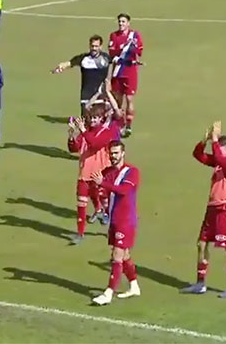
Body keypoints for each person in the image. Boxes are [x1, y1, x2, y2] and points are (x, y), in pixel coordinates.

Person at [181, 121, 226, 299]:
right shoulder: (218, 164)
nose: (218, 152)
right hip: (212, 210)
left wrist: (215, 140)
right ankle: (200, 283)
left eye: (221, 149)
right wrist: (206, 139)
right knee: (201, 244)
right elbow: (197, 155)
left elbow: (219, 158)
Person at [67, 90, 122, 245]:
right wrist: (72, 137)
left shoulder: (107, 132)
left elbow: (95, 144)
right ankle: (80, 233)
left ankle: (111, 223)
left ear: (101, 119)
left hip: (100, 175)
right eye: (90, 118)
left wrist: (83, 131)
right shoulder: (85, 133)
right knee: (81, 203)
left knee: (106, 203)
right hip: (84, 174)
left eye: (95, 118)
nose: (92, 121)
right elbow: (74, 148)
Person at [90, 140, 141, 306]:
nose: (113, 156)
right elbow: (96, 188)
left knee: (116, 256)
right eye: (111, 153)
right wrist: (100, 200)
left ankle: (108, 293)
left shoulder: (132, 172)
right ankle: (134, 286)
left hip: (126, 221)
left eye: (116, 153)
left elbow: (124, 191)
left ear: (123, 153)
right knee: (124, 255)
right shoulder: (107, 172)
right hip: (114, 219)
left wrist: (103, 184)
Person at [53, 35, 111, 116]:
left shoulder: (106, 58)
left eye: (96, 46)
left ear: (101, 46)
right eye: (92, 46)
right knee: (85, 118)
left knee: (98, 120)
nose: (94, 48)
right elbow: (70, 63)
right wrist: (61, 66)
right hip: (86, 94)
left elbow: (116, 65)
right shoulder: (84, 58)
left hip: (100, 94)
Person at [109, 13, 143, 138]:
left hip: (130, 72)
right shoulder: (114, 35)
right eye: (119, 21)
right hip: (118, 71)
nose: (121, 24)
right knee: (117, 99)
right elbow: (112, 52)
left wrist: (133, 46)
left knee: (129, 99)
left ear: (128, 23)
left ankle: (128, 124)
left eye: (123, 21)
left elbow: (139, 51)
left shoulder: (135, 35)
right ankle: (118, 124)